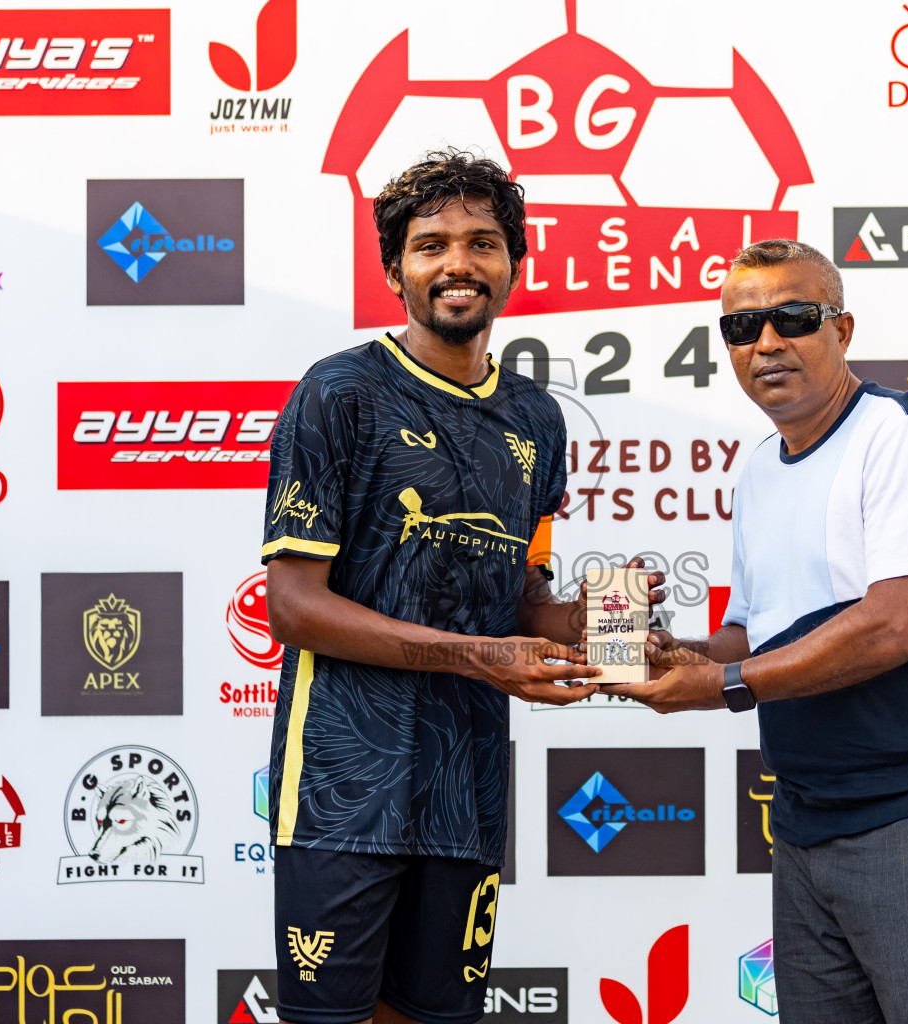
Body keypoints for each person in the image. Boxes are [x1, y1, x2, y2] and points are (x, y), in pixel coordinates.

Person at [259, 149, 662, 1024]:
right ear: (394, 266)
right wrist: (481, 655)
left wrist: (594, 627)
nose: (457, 264)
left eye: (482, 242)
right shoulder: (340, 393)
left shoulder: (535, 417)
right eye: (431, 243)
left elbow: (519, 597)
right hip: (342, 787)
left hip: (466, 787)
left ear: (514, 264)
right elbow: (292, 607)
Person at [607, 239, 908, 1023]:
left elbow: (897, 627)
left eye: (793, 317)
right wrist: (660, 652)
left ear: (843, 331)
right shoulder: (761, 468)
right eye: (742, 327)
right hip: (802, 825)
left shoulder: (902, 437)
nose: (766, 343)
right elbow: (748, 640)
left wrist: (720, 686)